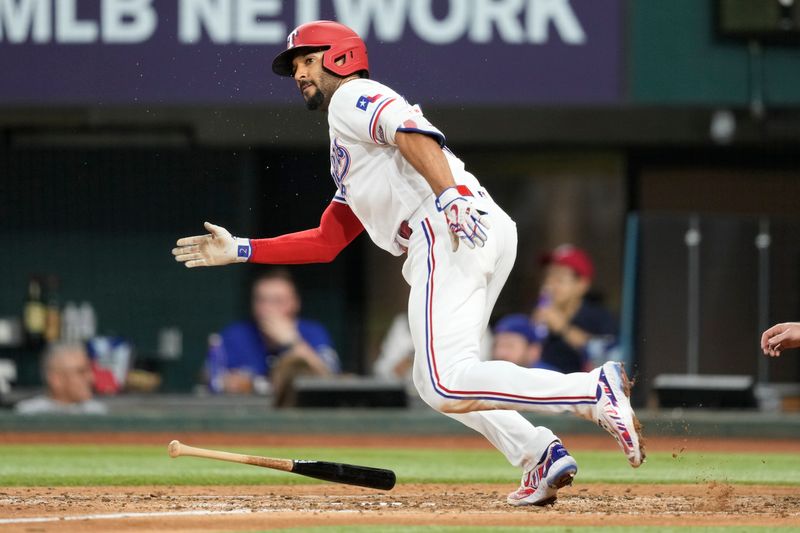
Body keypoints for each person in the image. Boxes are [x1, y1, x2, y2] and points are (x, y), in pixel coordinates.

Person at [172, 20, 644, 506]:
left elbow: (411, 130)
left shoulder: (351, 98)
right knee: (437, 378)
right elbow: (328, 239)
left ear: (340, 58)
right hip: (470, 224)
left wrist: (449, 196)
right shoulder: (351, 150)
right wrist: (243, 248)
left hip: (444, 223)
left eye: (308, 60)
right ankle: (537, 453)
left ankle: (589, 391)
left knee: (443, 381)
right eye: (295, 66)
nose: (299, 74)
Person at [207, 269, 339, 402]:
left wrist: (293, 342)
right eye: (261, 300)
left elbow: (330, 378)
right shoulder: (235, 335)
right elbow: (210, 377)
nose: (267, 308)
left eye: (277, 301)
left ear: (295, 303)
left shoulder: (313, 332)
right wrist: (228, 382)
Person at [532, 245, 619, 374]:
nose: (550, 285)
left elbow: (610, 358)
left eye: (559, 279)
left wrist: (563, 328)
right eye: (547, 277)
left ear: (582, 285)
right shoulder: (542, 315)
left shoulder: (599, 318)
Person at [15, 342, 107, 415]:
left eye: (89, 371)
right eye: (81, 372)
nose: (91, 378)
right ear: (56, 379)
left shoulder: (97, 413)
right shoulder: (28, 414)